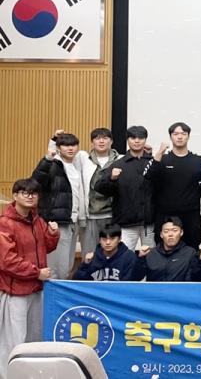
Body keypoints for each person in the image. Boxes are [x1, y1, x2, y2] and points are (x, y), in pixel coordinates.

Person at [0, 179, 59, 379]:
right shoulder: (5, 223)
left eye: (34, 193)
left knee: (34, 340)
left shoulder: (37, 220)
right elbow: (6, 261)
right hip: (15, 292)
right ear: (15, 196)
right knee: (13, 342)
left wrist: (53, 234)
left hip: (36, 289)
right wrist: (36, 273)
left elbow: (46, 247)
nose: (30, 196)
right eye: (25, 192)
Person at [144, 122, 201, 250]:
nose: (180, 137)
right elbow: (148, 178)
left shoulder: (198, 161)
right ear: (171, 136)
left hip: (190, 214)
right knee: (163, 249)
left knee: (192, 248)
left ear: (188, 136)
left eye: (183, 134)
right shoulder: (162, 159)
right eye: (176, 134)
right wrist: (159, 153)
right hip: (165, 214)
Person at [95, 126, 155, 252]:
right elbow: (100, 188)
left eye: (140, 138)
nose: (137, 141)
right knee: (124, 257)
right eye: (133, 138)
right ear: (127, 140)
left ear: (145, 140)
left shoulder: (152, 163)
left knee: (152, 258)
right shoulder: (118, 164)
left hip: (149, 223)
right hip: (126, 223)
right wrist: (112, 178)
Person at [32, 132, 83, 279]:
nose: (70, 148)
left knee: (67, 266)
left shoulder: (76, 165)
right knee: (56, 267)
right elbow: (36, 181)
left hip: (73, 221)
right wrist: (48, 157)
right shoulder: (53, 165)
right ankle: (51, 293)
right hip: (57, 221)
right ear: (59, 148)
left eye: (73, 145)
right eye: (65, 145)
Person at [76, 127, 121, 257]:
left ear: (111, 141)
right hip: (90, 215)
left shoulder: (120, 160)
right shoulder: (83, 159)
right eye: (97, 138)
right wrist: (54, 141)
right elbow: (62, 155)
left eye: (105, 138)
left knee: (113, 255)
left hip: (112, 215)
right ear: (92, 142)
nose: (101, 141)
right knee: (89, 255)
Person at [134, 216, 198, 282]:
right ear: (161, 234)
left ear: (181, 232)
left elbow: (194, 279)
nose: (170, 234)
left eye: (174, 230)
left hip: (179, 288)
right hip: (155, 288)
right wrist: (140, 258)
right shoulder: (151, 253)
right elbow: (136, 277)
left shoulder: (190, 253)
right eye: (166, 231)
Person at [73, 224, 139, 281]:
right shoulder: (92, 257)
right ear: (99, 240)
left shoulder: (129, 257)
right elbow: (78, 282)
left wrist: (141, 260)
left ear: (119, 239)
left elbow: (132, 281)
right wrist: (85, 264)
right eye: (104, 239)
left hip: (118, 291)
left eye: (112, 239)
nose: (108, 243)